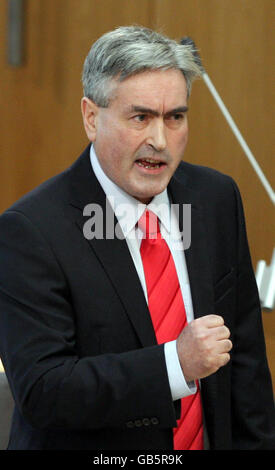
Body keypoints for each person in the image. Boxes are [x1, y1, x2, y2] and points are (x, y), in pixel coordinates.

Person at [0, 25, 274, 451]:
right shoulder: (30, 231)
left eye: (174, 117)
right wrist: (174, 364)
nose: (160, 141)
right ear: (92, 118)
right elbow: (43, 390)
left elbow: (246, 363)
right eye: (140, 117)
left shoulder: (216, 199)